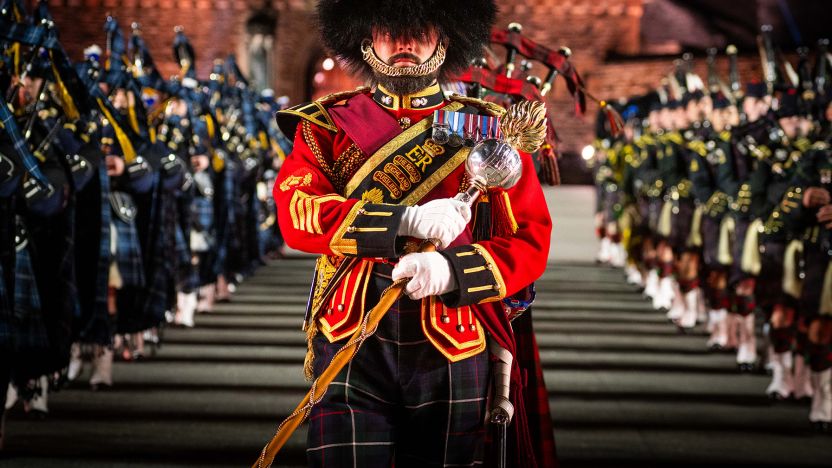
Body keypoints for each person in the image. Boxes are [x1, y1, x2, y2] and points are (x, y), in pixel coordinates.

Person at [272, 0, 555, 465]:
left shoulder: (490, 130)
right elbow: (297, 213)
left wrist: (452, 271)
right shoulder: (325, 126)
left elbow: (530, 238)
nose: (404, 43)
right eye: (389, 30)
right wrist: (403, 221)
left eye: (418, 30)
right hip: (353, 332)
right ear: (366, 39)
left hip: (454, 334)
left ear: (443, 39)